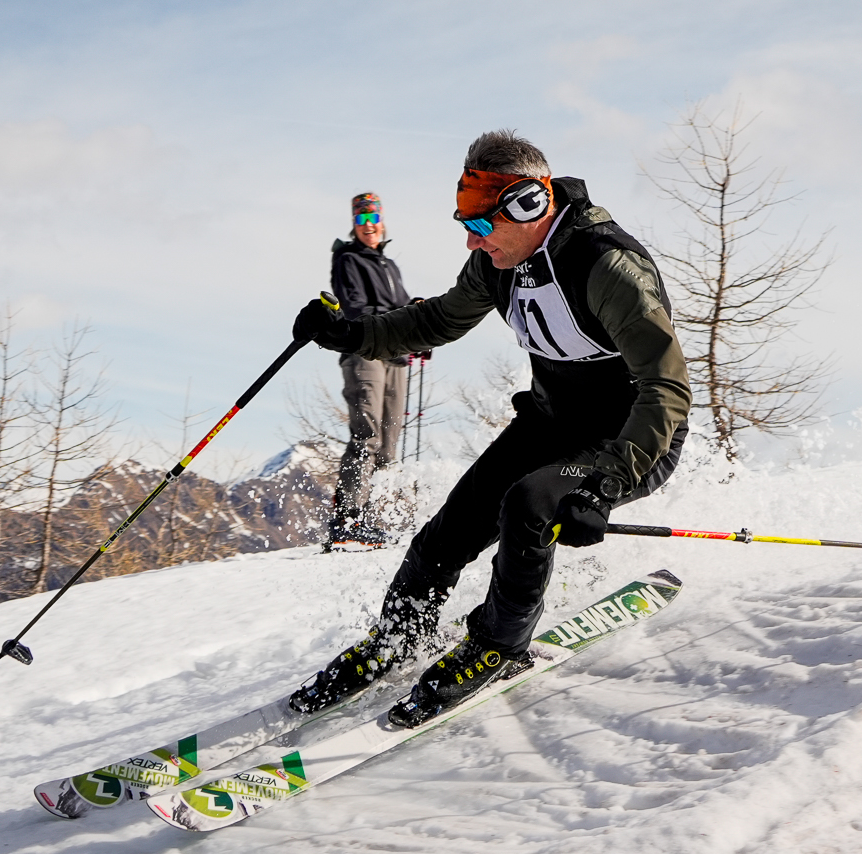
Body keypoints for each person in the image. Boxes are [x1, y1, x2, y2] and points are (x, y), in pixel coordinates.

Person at [289, 130, 691, 726]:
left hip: (627, 439)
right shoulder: (496, 263)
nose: (472, 240)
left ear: (531, 205)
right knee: (451, 528)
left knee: (529, 505)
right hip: (550, 422)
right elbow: (436, 320)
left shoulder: (605, 266)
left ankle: (500, 645)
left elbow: (667, 388)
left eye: (481, 225)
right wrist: (349, 333)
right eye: (466, 225)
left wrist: (607, 483)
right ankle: (396, 636)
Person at [326, 192, 413, 550]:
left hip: (395, 356)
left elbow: (404, 306)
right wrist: (399, 321)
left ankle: (372, 521)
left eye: (373, 218)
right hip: (364, 351)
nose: (368, 225)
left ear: (382, 221)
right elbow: (355, 307)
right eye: (361, 219)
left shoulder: (389, 266)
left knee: (389, 446)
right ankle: (347, 520)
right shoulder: (347, 259)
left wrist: (418, 322)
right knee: (368, 435)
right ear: (354, 224)